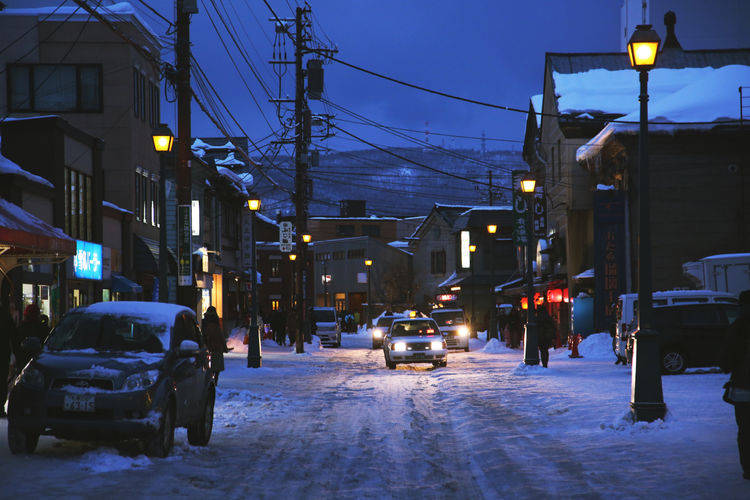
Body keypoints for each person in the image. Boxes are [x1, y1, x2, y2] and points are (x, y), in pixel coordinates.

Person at [721, 290, 750, 480]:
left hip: (743, 388)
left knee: (745, 430)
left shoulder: (737, 327)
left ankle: (748, 468)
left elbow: (725, 362)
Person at [16, 304, 48, 370]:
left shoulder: (21, 328)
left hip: (24, 361)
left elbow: (16, 344)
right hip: (39, 361)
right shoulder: (42, 328)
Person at [0, 301, 17, 418]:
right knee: (2, 381)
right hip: (3, 354)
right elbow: (14, 337)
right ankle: (0, 407)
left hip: (4, 353)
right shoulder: (6, 317)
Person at [203, 306, 227, 383]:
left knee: (209, 366)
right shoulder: (216, 322)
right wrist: (224, 347)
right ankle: (214, 381)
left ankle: (210, 380)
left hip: (208, 346)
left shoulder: (205, 321)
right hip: (217, 347)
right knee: (216, 367)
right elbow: (220, 336)